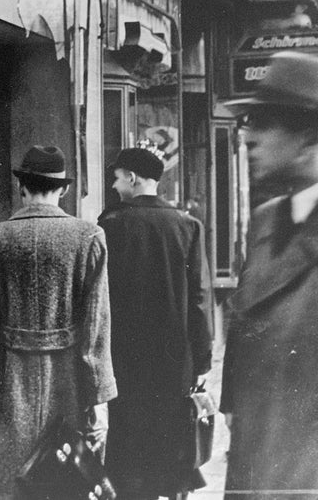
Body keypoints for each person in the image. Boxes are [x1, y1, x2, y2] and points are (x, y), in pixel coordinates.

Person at [0, 145, 117, 500]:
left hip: (9, 385)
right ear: (63, 189)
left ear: (23, 187)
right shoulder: (88, 238)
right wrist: (99, 399)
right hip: (68, 386)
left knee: (13, 486)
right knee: (68, 483)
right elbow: (96, 327)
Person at [220, 50, 318, 499]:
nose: (249, 139)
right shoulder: (266, 220)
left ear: (307, 139)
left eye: (264, 125)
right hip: (256, 469)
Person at [97, 145, 212, 500]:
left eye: (117, 179)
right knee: (172, 439)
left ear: (131, 178)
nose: (115, 186)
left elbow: (100, 300)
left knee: (129, 443)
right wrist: (203, 359)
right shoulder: (187, 225)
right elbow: (200, 299)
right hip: (175, 358)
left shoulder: (110, 225)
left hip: (126, 359)